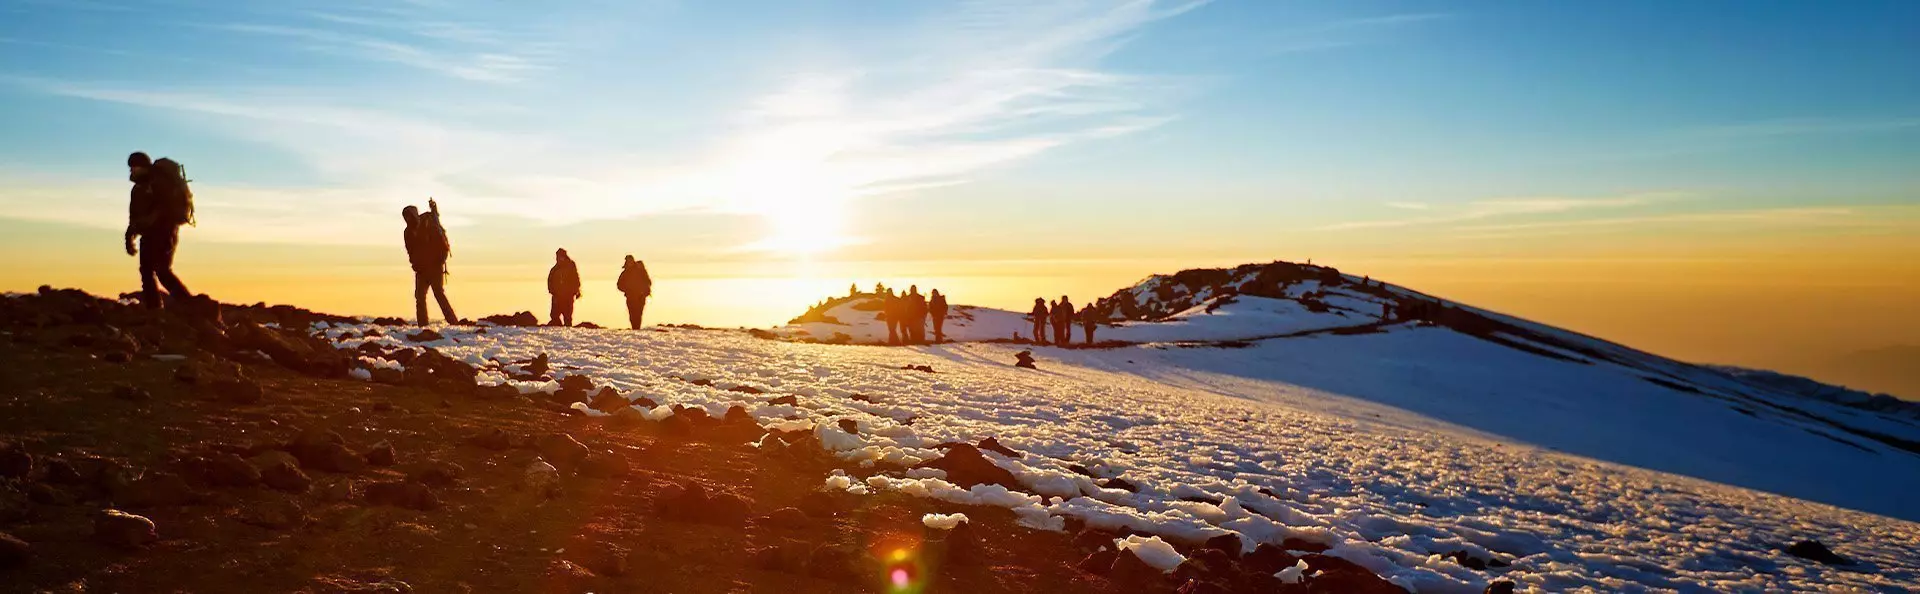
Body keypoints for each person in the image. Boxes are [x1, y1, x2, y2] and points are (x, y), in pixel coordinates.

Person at [123, 152, 196, 310]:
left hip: (164, 232)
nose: (131, 171)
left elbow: (164, 209)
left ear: (142, 166)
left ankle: (189, 305)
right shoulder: (138, 189)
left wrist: (149, 223)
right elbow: (134, 216)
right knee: (146, 271)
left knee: (161, 270)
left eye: (134, 167)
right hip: (149, 234)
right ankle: (154, 308)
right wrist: (129, 237)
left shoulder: (158, 184)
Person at [402, 198, 458, 325]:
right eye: (406, 217)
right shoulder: (408, 232)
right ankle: (423, 326)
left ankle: (453, 323)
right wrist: (415, 265)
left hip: (434, 267)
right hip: (421, 270)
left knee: (439, 295)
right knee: (420, 298)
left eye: (410, 216)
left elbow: (440, 245)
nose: (408, 219)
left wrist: (439, 261)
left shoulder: (428, 224)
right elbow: (410, 250)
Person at [547, 248, 582, 327]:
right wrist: (552, 291)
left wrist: (577, 291)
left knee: (567, 317)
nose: (558, 258)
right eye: (557, 257)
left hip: (568, 297)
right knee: (554, 316)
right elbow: (550, 281)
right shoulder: (555, 269)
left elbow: (576, 279)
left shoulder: (570, 266)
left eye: (560, 256)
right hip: (557, 296)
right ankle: (557, 336)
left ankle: (567, 336)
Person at [617, 255, 652, 329]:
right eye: (627, 261)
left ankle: (636, 329)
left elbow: (648, 282)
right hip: (631, 297)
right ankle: (635, 329)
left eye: (629, 260)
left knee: (638, 314)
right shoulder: (625, 273)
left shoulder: (640, 270)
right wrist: (627, 290)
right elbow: (619, 285)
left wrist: (644, 292)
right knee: (632, 315)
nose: (628, 262)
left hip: (640, 296)